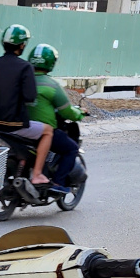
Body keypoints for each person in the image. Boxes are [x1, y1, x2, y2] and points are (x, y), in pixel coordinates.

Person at [20, 43, 82, 187]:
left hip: (20, 128)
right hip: (42, 131)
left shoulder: (22, 80)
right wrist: (79, 114)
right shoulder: (52, 85)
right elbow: (67, 111)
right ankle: (59, 183)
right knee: (71, 148)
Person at [0, 24, 37, 136]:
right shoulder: (25, 67)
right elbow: (30, 96)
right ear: (22, 46)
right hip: (13, 125)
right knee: (48, 131)